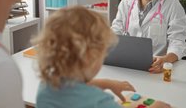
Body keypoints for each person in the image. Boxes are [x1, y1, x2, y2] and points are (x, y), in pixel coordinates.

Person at [33, 6, 171, 108]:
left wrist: (105, 83)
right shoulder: (99, 102)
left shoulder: (46, 85)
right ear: (90, 56)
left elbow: (71, 86)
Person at [111, 0, 186, 73]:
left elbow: (178, 42)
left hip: (156, 69)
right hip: (127, 66)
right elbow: (114, 35)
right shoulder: (125, 4)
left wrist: (166, 59)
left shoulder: (172, 5)